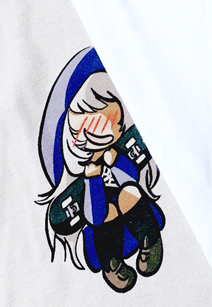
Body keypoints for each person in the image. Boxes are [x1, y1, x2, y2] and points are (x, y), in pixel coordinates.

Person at [38, 47, 165, 292]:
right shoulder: (83, 176)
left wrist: (115, 160)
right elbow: (93, 214)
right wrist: (93, 178)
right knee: (103, 214)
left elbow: (132, 175)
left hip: (132, 207)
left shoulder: (116, 151)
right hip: (103, 222)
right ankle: (112, 263)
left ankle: (149, 237)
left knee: (130, 194)